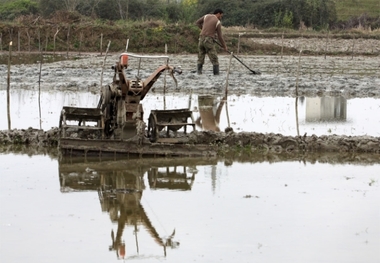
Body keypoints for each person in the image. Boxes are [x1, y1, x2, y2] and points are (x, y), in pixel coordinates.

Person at [195, 9, 228, 75]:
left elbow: (197, 23)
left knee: (200, 57)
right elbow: (220, 36)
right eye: (221, 16)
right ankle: (216, 75)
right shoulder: (217, 22)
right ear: (218, 13)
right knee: (214, 59)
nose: (220, 18)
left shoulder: (206, 16)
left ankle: (199, 73)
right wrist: (225, 47)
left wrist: (204, 29)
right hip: (208, 41)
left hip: (201, 39)